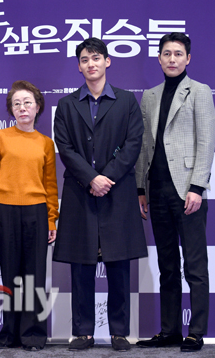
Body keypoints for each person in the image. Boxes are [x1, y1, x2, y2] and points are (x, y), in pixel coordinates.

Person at [52, 38, 147, 352]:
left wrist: (108, 177)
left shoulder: (126, 101)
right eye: (84, 59)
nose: (91, 63)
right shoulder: (66, 105)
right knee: (82, 267)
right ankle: (83, 332)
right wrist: (92, 178)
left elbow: (133, 144)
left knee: (119, 265)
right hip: (80, 192)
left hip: (117, 193)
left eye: (96, 58)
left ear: (108, 61)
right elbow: (65, 149)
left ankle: (119, 331)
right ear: (78, 66)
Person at [135, 33, 215, 352]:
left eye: (178, 53)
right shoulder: (150, 96)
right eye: (166, 53)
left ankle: (196, 331)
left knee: (195, 265)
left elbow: (206, 142)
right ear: (158, 58)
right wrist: (141, 187)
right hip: (158, 192)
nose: (172, 59)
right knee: (167, 265)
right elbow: (144, 145)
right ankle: (169, 330)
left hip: (187, 192)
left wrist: (197, 187)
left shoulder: (200, 91)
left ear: (188, 58)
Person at [0, 80, 59, 352]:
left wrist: (51, 219)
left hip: (36, 212)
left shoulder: (46, 143)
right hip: (5, 212)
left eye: (27, 103)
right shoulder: (0, 138)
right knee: (11, 275)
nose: (22, 108)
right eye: (16, 104)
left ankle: (34, 335)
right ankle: (9, 333)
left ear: (38, 107)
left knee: (34, 276)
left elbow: (50, 185)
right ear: (11, 110)